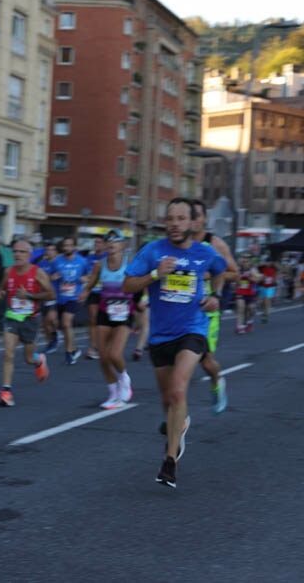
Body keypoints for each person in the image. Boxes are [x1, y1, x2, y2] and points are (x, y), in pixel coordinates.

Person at [123, 198, 227, 489]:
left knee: (179, 388)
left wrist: (217, 296)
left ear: (192, 223)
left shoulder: (204, 253)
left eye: (181, 218)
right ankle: (178, 425)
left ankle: (169, 461)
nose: (174, 224)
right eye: (170, 218)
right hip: (160, 335)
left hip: (193, 329)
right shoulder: (153, 251)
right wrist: (156, 274)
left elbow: (222, 271)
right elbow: (127, 285)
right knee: (169, 399)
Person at [0, 239, 53, 407]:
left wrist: (30, 296)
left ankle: (38, 360)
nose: (17, 255)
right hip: (12, 316)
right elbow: (2, 288)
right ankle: (6, 391)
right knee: (8, 354)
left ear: (30, 255)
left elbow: (51, 295)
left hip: (31, 319)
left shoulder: (38, 273)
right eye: (15, 251)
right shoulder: (8, 271)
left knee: (28, 358)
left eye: (22, 252)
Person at [80, 229, 135, 409]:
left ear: (122, 245)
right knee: (103, 356)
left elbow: (141, 280)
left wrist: (144, 298)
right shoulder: (99, 265)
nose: (111, 244)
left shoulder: (130, 262)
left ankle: (124, 377)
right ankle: (113, 393)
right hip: (106, 311)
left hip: (125, 311)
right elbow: (91, 283)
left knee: (114, 354)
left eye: (115, 241)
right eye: (108, 241)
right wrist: (84, 291)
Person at [191, 199, 235, 416]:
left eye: (197, 215)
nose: (193, 220)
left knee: (204, 360)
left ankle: (217, 382)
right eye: (189, 216)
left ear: (204, 218)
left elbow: (234, 272)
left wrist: (211, 274)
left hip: (208, 309)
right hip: (182, 309)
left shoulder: (215, 243)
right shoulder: (179, 243)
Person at [50, 236, 88, 364]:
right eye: (65, 246)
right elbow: (49, 276)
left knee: (66, 323)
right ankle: (74, 349)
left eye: (70, 245)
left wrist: (84, 281)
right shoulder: (56, 261)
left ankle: (69, 353)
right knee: (60, 325)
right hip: (60, 297)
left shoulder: (81, 261)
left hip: (73, 297)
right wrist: (53, 277)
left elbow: (89, 276)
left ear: (74, 247)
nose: (67, 248)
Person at [84, 237, 107, 360]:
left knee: (105, 321)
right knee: (93, 319)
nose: (97, 245)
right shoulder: (89, 259)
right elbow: (83, 273)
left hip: (107, 293)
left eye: (99, 242)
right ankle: (93, 347)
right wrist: (84, 278)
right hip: (93, 292)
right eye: (95, 242)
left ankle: (105, 345)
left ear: (105, 245)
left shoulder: (109, 257)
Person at [35, 241, 60, 353]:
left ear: (55, 252)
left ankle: (55, 335)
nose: (49, 252)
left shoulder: (58, 263)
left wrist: (47, 278)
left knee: (51, 319)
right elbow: (38, 278)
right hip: (43, 295)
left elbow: (57, 277)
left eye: (51, 250)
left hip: (55, 295)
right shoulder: (41, 264)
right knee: (45, 323)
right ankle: (51, 340)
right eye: (47, 250)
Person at [233, 254, 261, 334]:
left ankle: (250, 321)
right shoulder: (238, 269)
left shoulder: (253, 269)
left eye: (247, 260)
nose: (245, 262)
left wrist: (250, 277)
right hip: (241, 292)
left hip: (250, 293)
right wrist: (238, 279)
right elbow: (235, 281)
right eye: (244, 260)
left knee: (250, 309)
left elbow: (257, 280)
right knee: (240, 308)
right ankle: (239, 327)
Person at [257, 257, 278, 323]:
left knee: (267, 300)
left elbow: (275, 276)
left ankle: (266, 315)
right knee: (263, 301)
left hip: (271, 286)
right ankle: (264, 312)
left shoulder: (274, 268)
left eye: (270, 262)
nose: (268, 263)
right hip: (263, 286)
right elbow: (256, 268)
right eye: (267, 262)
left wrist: (274, 281)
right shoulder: (262, 268)